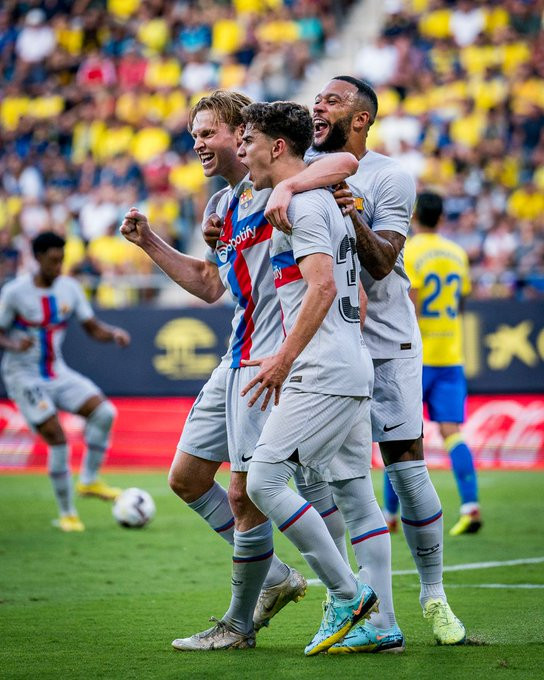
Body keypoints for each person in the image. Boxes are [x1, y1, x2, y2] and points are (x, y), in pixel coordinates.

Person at [120, 90, 360, 649]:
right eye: (194, 134)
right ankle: (274, 577)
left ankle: (242, 621)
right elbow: (210, 285)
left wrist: (293, 183)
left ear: (242, 134)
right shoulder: (224, 207)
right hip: (235, 356)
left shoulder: (287, 187)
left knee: (248, 493)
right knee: (185, 478)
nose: (197, 144)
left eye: (209, 133)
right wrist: (150, 241)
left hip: (270, 362)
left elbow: (342, 159)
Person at [173, 100, 384, 657]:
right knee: (216, 481)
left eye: (226, 135)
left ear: (264, 142)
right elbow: (215, 281)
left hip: (291, 361)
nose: (231, 146)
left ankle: (338, 599)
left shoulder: (294, 196)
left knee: (265, 488)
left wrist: (288, 357)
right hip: (260, 357)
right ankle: (360, 610)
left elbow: (340, 171)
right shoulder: (231, 201)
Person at [265, 76, 466, 647]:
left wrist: (353, 216)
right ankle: (363, 604)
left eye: (331, 100)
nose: (318, 106)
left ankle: (434, 595)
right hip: (333, 346)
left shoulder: (388, 176)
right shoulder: (305, 174)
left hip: (388, 342)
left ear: (361, 118)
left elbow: (382, 265)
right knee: (327, 476)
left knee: (406, 467)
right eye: (317, 100)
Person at [0, 231, 130, 532]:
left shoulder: (69, 288)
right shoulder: (15, 293)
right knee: (57, 437)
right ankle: (67, 514)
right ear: (37, 257)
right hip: (23, 375)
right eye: (53, 260)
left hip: (56, 372)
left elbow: (92, 328)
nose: (58, 266)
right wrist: (11, 344)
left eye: (62, 260)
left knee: (104, 412)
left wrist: (113, 334)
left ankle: (89, 480)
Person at [383, 191, 481, 537]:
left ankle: (390, 515)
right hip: (451, 357)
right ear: (441, 218)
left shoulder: (411, 251)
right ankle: (470, 506)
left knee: (398, 433)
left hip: (415, 356)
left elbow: (411, 305)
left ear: (414, 216)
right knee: (453, 432)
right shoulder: (457, 254)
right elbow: (463, 302)